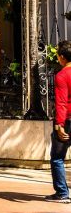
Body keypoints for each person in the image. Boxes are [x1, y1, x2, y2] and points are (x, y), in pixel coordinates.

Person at [46, 40, 71, 204]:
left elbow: (61, 102)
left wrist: (59, 125)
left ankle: (62, 192)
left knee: (57, 157)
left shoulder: (62, 75)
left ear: (62, 57)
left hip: (67, 120)